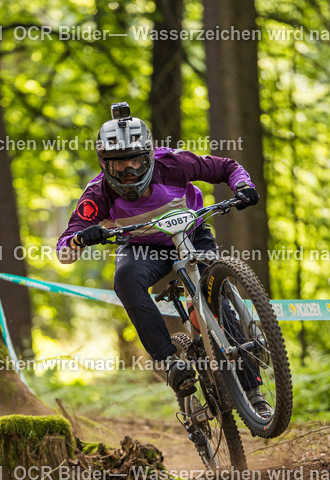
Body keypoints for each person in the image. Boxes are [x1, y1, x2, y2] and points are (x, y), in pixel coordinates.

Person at [56, 102, 270, 417]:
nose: (129, 173)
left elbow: (227, 166)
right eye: (118, 166)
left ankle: (253, 392)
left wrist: (243, 186)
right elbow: (63, 251)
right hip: (143, 248)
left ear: (150, 156)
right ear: (103, 164)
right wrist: (79, 238)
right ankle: (171, 363)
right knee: (126, 280)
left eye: (136, 163)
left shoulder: (175, 163)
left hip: (191, 234)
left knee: (214, 297)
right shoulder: (98, 193)